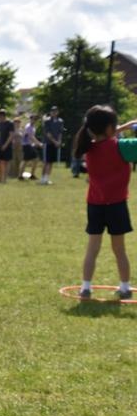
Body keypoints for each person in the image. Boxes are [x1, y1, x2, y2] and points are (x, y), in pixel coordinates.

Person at [73, 106, 137, 300]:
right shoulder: (121, 146)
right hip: (117, 205)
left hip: (95, 205)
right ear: (110, 128)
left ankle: (85, 287)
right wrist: (130, 127)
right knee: (119, 250)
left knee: (92, 248)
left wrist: (122, 127)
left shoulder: (89, 147)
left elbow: (105, 139)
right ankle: (124, 288)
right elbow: (115, 142)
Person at [41, 106, 63, 185]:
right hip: (48, 143)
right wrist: (55, 142)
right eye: (52, 111)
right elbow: (48, 133)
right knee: (46, 161)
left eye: (55, 111)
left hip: (55, 143)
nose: (54, 112)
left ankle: (47, 178)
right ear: (50, 112)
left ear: (57, 112)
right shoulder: (47, 121)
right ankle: (42, 179)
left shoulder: (60, 121)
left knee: (51, 162)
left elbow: (60, 132)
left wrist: (59, 141)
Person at [19, 114, 42, 180]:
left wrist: (34, 143)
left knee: (35, 159)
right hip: (26, 145)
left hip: (30, 145)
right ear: (30, 119)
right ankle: (20, 175)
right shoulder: (29, 127)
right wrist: (39, 143)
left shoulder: (33, 127)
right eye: (32, 119)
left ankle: (32, 175)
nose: (34, 120)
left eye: (35, 119)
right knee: (25, 160)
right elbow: (31, 137)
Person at [0, 110, 14, 183]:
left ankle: (4, 179)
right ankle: (0, 178)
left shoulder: (10, 123)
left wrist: (5, 145)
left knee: (6, 162)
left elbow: (11, 135)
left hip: (7, 146)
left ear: (3, 116)